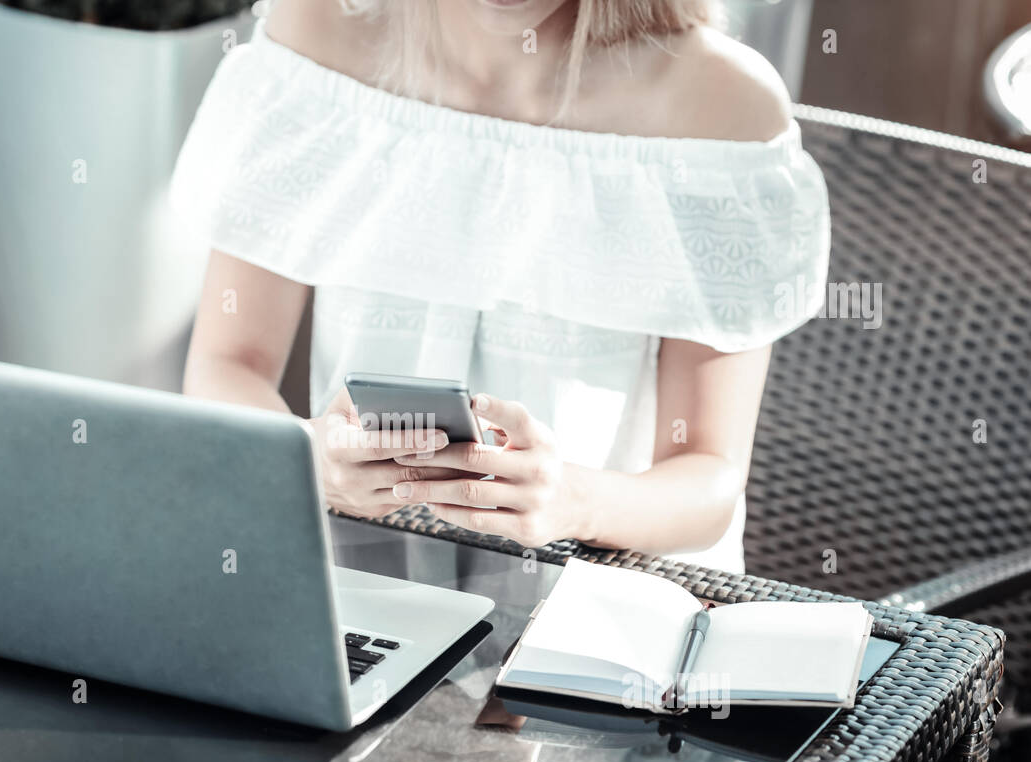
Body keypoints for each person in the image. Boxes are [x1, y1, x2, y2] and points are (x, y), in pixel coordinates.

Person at [175, 0, 830, 572]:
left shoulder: (720, 105)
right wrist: (309, 457)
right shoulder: (316, 36)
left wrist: (570, 499)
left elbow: (708, 478)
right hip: (351, 580)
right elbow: (225, 366)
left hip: (598, 609)